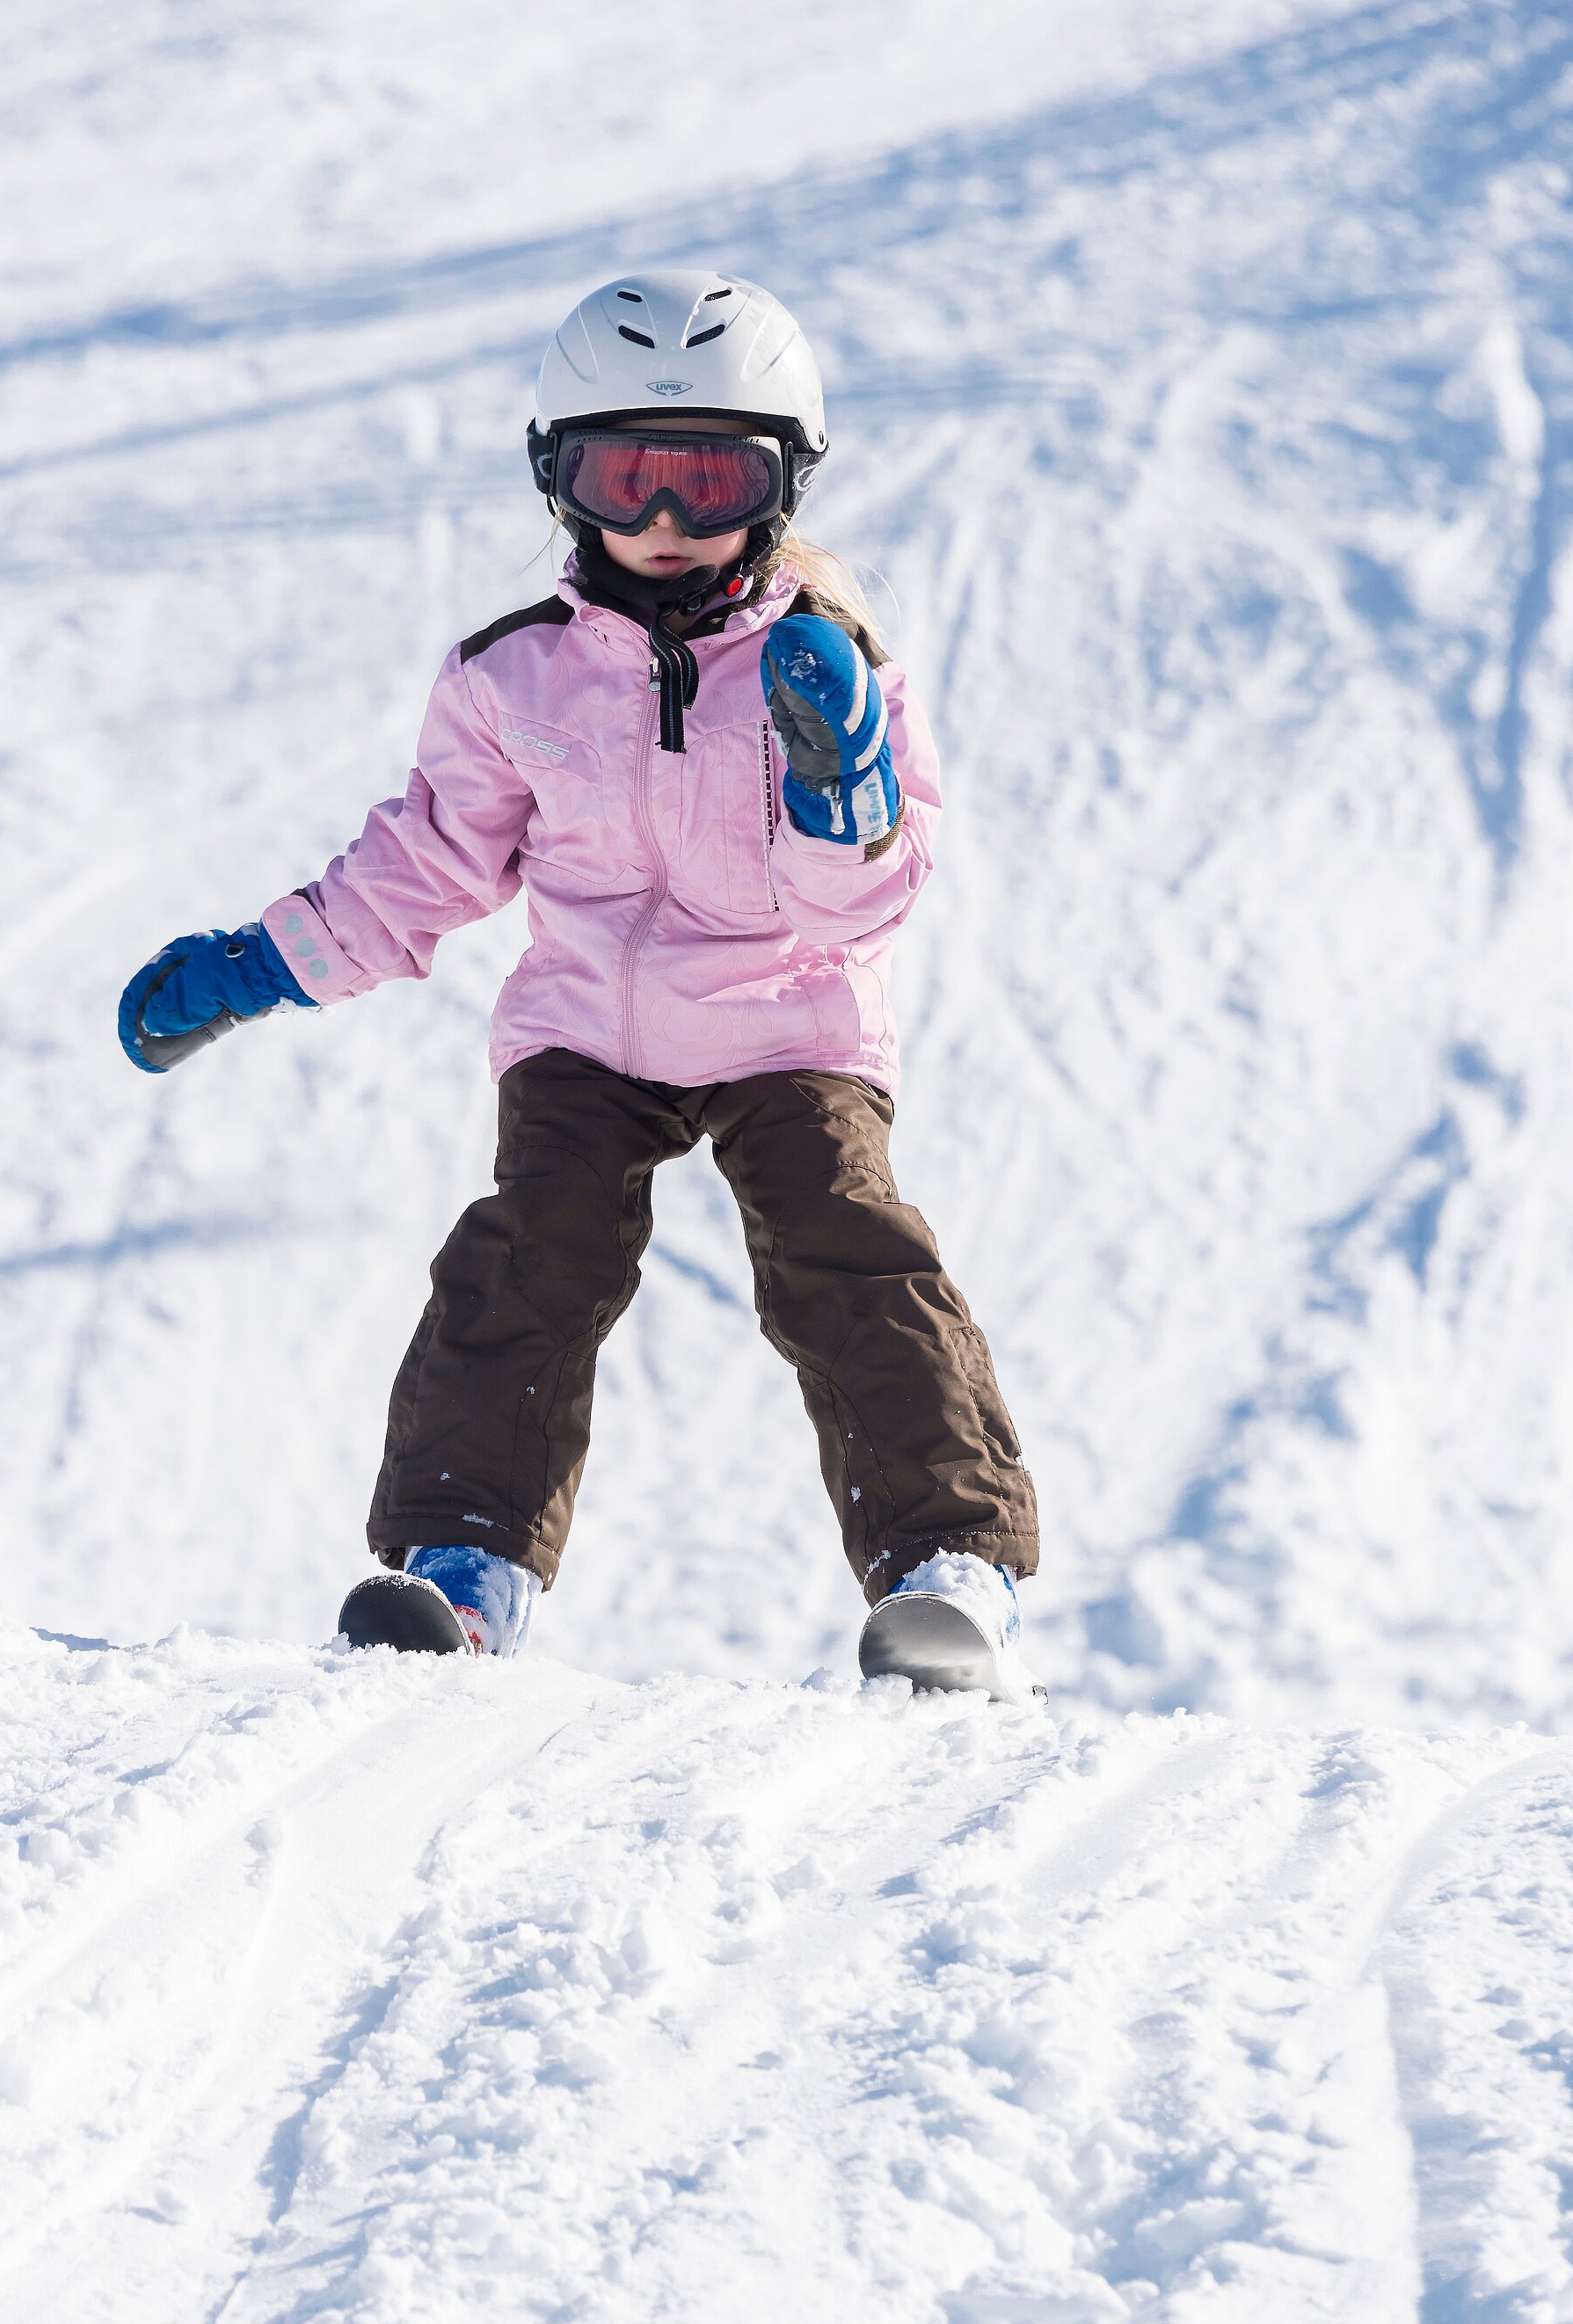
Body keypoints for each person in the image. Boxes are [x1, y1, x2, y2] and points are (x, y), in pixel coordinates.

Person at [118, 271, 1044, 1705]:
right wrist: (260, 966)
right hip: (589, 1033)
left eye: (711, 480)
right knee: (525, 1252)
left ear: (782, 483)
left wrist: (835, 779)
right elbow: (425, 866)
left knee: (845, 1243)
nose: (667, 523)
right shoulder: (517, 675)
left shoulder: (835, 666)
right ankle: (462, 1563)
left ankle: (950, 1569)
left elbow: (861, 903)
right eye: (628, 477)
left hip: (786, 1015)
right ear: (561, 477)